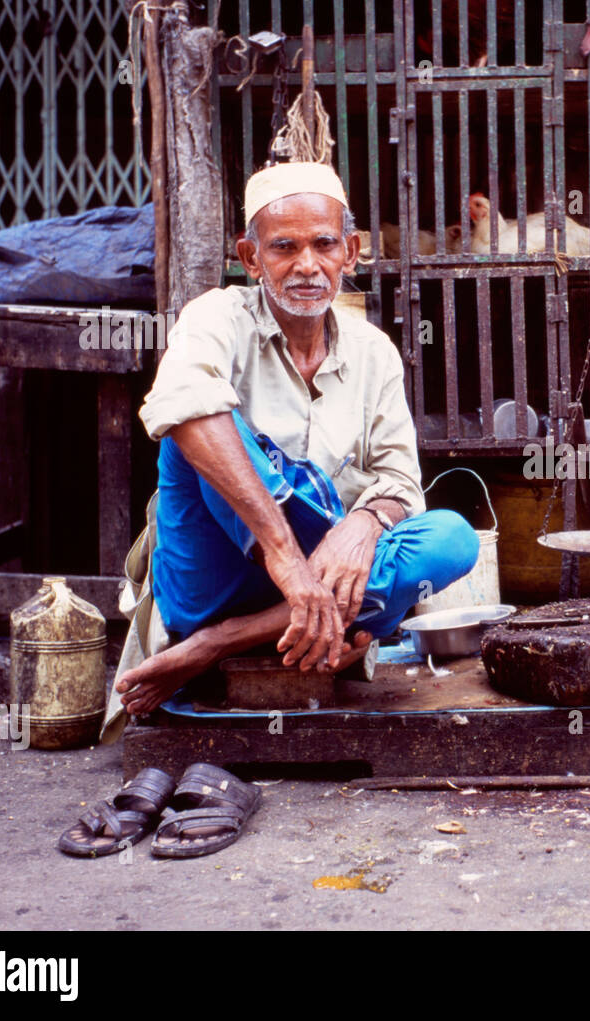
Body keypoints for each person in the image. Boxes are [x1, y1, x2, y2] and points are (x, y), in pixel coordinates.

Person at [102, 162, 479, 739]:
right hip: (214, 580)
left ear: (350, 252)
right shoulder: (217, 317)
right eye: (284, 247)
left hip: (321, 582)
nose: (307, 265)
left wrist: (363, 524)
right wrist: (284, 558)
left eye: (324, 244)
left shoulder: (373, 352)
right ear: (251, 258)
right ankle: (254, 620)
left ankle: (220, 645)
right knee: (202, 420)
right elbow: (179, 401)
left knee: (452, 537)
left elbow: (400, 481)